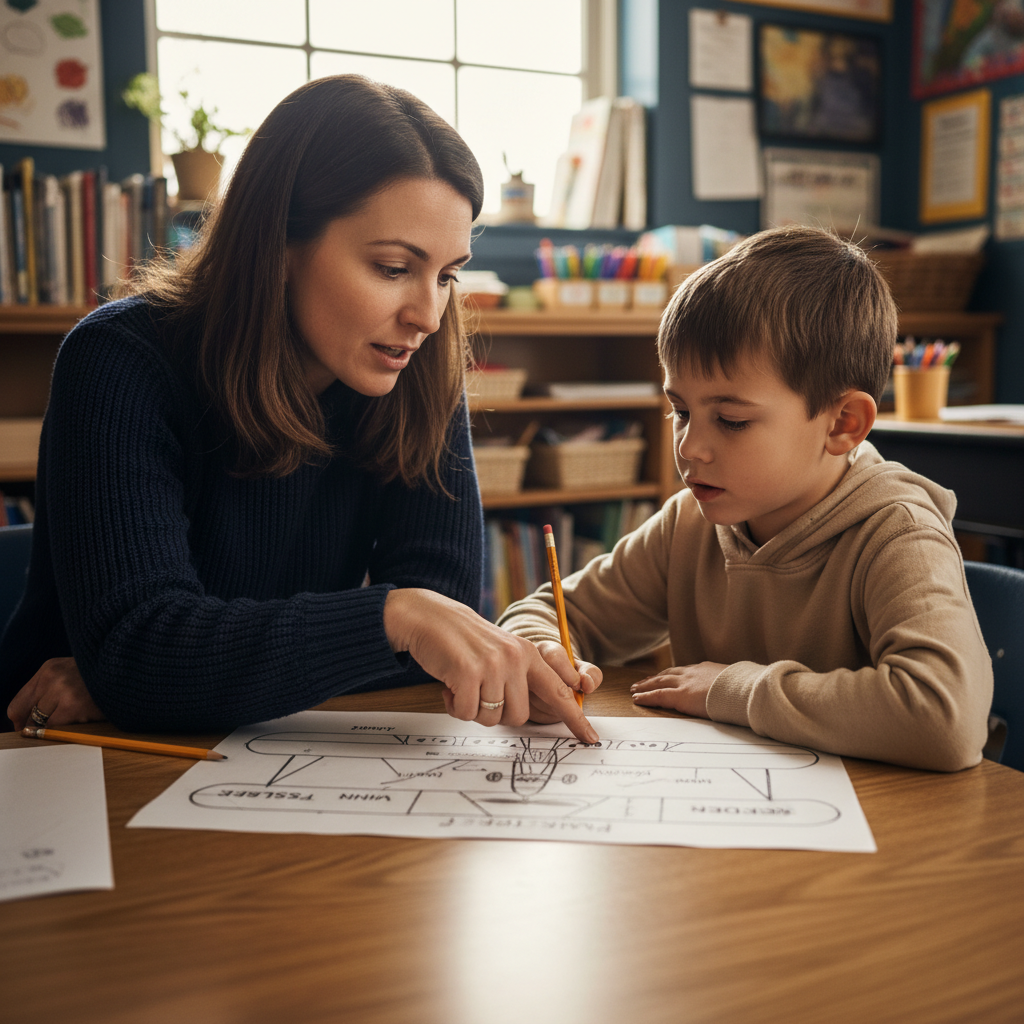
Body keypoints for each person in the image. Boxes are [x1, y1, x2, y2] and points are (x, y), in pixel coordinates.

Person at [1, 75, 599, 743]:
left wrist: (482, 655)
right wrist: (392, 619)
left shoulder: (416, 366)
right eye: (395, 267)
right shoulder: (119, 360)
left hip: (259, 743)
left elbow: (443, 622)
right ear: (279, 244)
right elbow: (143, 653)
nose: (428, 316)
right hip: (64, 749)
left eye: (447, 274)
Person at [497, 226, 992, 772]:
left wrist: (732, 689)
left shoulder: (897, 533)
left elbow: (946, 719)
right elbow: (552, 612)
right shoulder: (687, 524)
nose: (690, 447)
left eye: (731, 421)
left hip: (885, 831)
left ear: (843, 424)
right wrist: (537, 651)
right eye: (681, 411)